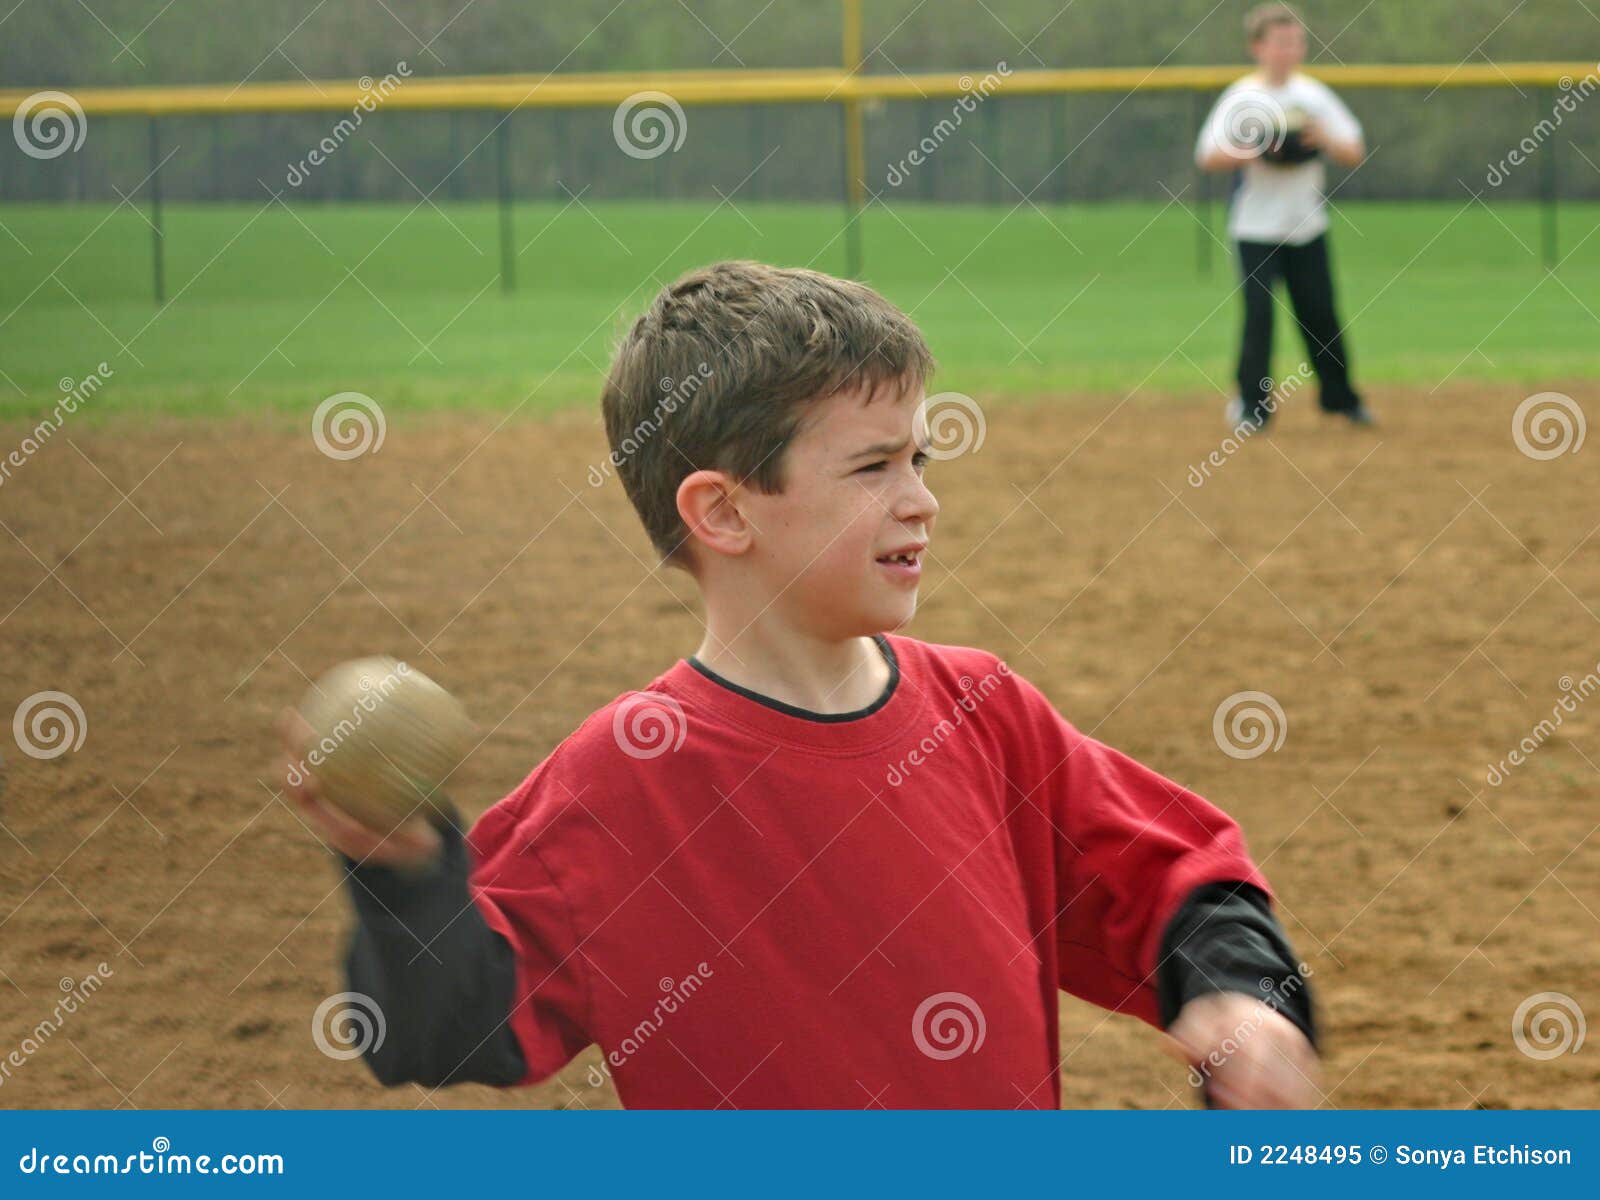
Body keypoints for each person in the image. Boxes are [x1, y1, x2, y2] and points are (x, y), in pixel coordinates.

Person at [279, 260, 1320, 1108]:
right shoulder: (627, 777)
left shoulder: (980, 713)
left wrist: (1242, 1001)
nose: (922, 502)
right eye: (872, 469)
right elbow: (456, 1029)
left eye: (920, 459)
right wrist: (406, 880)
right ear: (723, 513)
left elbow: (1177, 879)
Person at [1196, 2, 1373, 430]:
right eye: (1279, 42)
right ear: (1257, 47)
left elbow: (1354, 151)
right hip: (1255, 227)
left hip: (1306, 225)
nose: (1289, 50)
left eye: (1295, 42)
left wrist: (1322, 138)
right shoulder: (1242, 97)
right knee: (1259, 316)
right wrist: (1258, 148)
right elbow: (1208, 156)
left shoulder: (1313, 96)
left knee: (1320, 313)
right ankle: (1252, 408)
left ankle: (1342, 400)